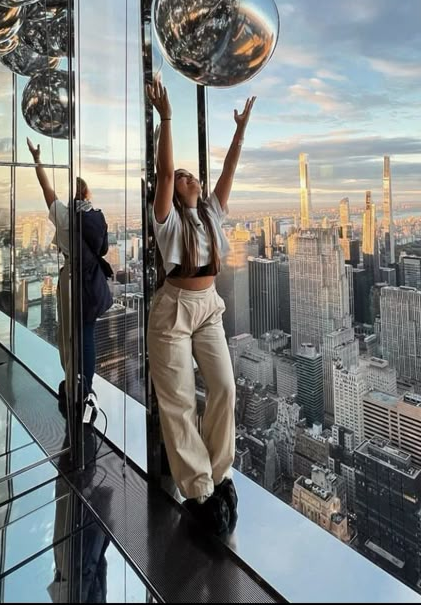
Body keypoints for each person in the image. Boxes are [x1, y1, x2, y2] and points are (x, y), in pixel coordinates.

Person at [146, 78, 256, 537]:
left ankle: (218, 473)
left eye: (194, 176)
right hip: (173, 309)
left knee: (225, 389)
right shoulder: (166, 219)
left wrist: (239, 131)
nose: (191, 178)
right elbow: (165, 173)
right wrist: (166, 117)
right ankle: (199, 490)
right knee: (178, 403)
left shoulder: (211, 214)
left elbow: (229, 170)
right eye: (185, 177)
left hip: (208, 306)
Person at [27, 137, 113, 413]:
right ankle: (85, 387)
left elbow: (44, 187)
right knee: (87, 333)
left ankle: (76, 386)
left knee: (69, 335)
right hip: (91, 280)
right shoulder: (95, 217)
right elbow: (103, 248)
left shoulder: (64, 216)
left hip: (72, 278)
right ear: (87, 195)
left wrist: (38, 160)